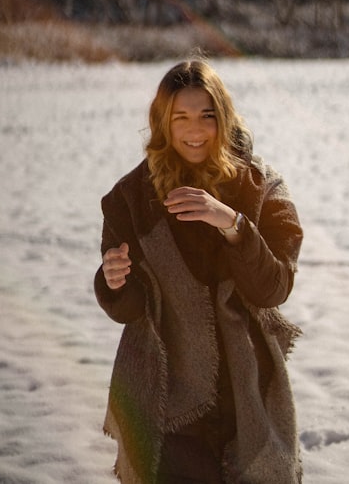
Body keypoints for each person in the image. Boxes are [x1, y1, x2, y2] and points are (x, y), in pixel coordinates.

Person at [94, 58, 304, 484]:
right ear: (162, 123)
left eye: (206, 116)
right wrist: (112, 283)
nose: (194, 130)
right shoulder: (129, 199)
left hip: (249, 397)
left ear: (223, 119)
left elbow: (274, 288)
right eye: (181, 117)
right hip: (167, 399)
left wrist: (232, 223)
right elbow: (132, 309)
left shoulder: (263, 189)